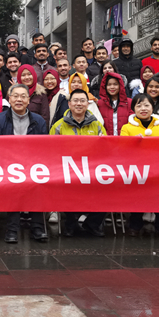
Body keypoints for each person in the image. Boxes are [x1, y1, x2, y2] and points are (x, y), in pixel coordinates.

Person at [0, 84, 49, 243]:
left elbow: (44, 147)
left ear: (28, 100)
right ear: (9, 99)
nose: (19, 99)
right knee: (13, 185)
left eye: (23, 96)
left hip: (33, 165)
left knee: (38, 184)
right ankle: (12, 229)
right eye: (15, 96)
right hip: (7, 166)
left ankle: (38, 228)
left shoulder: (38, 120)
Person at [50, 89, 107, 238]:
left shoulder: (97, 125)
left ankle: (92, 224)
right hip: (66, 171)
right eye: (75, 100)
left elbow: (106, 150)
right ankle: (70, 223)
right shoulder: (58, 126)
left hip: (93, 171)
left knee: (109, 190)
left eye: (82, 100)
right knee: (64, 190)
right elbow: (50, 150)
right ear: (69, 104)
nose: (79, 104)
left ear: (88, 104)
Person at [121, 93, 159, 238]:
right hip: (136, 170)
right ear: (133, 109)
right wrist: (132, 142)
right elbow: (122, 147)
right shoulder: (127, 128)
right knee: (138, 198)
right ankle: (135, 225)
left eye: (147, 105)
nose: (143, 109)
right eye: (139, 105)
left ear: (153, 107)